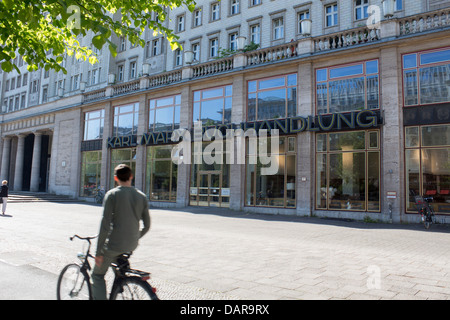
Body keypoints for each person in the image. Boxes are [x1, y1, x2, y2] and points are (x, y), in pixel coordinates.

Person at [91, 164, 151, 300]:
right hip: (131, 245)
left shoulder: (112, 195)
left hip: (114, 245)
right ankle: (120, 283)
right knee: (118, 265)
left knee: (97, 275)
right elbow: (147, 226)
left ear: (115, 178)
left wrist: (98, 252)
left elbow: (105, 225)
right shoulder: (141, 196)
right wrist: (136, 236)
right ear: (131, 177)